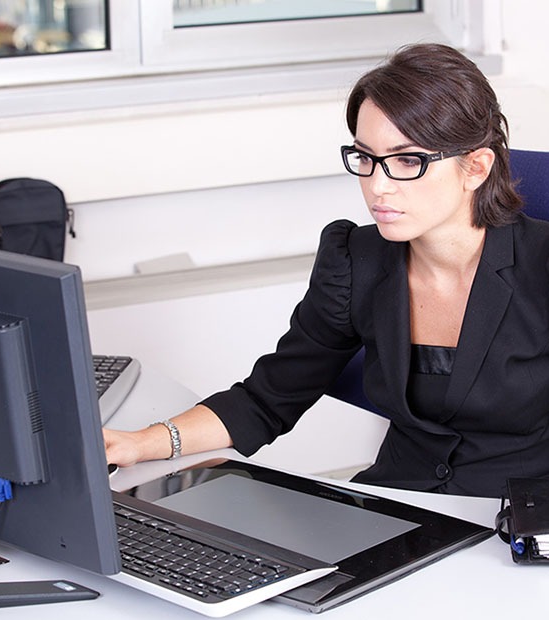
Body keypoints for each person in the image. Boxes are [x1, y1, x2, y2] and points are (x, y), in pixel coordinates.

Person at [104, 43, 549, 499]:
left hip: (519, 526)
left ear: (475, 167)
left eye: (407, 160)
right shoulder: (358, 259)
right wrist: (140, 444)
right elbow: (267, 398)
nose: (377, 186)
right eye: (365, 157)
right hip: (399, 507)